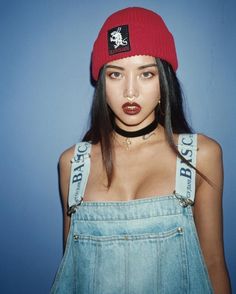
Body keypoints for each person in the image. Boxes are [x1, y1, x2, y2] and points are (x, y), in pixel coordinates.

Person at [51, 7, 231, 294]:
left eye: (146, 74)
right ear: (101, 83)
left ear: (164, 80)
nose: (130, 91)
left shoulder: (201, 155)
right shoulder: (73, 163)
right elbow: (74, 274)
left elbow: (213, 263)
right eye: (115, 74)